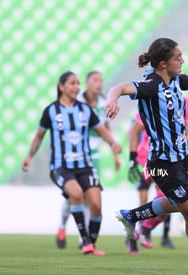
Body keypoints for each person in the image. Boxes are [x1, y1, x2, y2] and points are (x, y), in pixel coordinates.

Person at [105, 38, 188, 275]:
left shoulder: (177, 80)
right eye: (178, 57)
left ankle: (132, 216)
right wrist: (111, 100)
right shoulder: (150, 86)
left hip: (182, 156)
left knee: (180, 203)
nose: (182, 60)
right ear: (162, 64)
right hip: (162, 162)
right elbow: (119, 88)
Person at [21, 71, 121, 256]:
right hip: (61, 166)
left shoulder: (85, 110)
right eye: (72, 83)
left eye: (77, 83)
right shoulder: (51, 111)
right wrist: (29, 156)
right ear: (61, 87)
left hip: (85, 165)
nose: (77, 87)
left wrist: (112, 143)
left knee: (97, 206)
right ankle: (85, 242)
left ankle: (91, 243)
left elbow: (101, 130)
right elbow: (39, 136)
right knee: (75, 194)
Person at [55, 70, 121, 249]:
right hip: (75, 156)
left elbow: (105, 127)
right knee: (73, 196)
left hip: (95, 157)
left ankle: (81, 237)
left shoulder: (102, 104)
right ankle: (61, 227)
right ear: (87, 82)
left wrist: (114, 153)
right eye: (95, 80)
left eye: (101, 80)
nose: (99, 83)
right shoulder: (77, 103)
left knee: (90, 198)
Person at [128, 95, 188, 253]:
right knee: (154, 199)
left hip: (171, 159)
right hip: (147, 157)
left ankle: (140, 229)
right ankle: (138, 231)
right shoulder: (152, 99)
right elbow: (135, 131)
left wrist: (176, 144)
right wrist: (132, 158)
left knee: (171, 199)